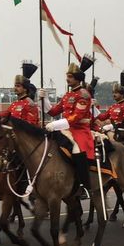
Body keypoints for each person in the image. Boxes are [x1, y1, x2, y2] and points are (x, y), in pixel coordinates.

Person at [37, 56, 95, 195]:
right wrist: (43, 99)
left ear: (77, 78)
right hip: (67, 130)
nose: (67, 79)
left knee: (76, 150)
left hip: (80, 131)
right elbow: (53, 111)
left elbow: (76, 118)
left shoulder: (84, 95)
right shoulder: (67, 95)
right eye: (67, 76)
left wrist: (55, 124)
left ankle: (84, 185)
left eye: (70, 77)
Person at [97, 71, 124, 137]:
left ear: (122, 94)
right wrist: (93, 108)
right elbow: (102, 117)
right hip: (111, 130)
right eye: (113, 93)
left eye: (116, 93)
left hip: (121, 133)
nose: (114, 95)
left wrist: (112, 126)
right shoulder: (113, 106)